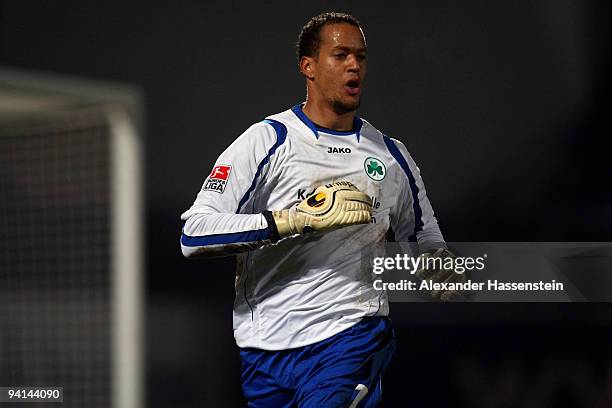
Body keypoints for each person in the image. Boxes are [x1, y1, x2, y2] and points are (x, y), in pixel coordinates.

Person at [180, 12, 456, 407]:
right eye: (340, 54)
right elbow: (194, 233)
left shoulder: (392, 156)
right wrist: (294, 221)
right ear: (307, 66)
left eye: (360, 56)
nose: (354, 65)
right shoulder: (269, 141)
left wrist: (437, 267)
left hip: (351, 336)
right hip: (266, 349)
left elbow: (424, 239)